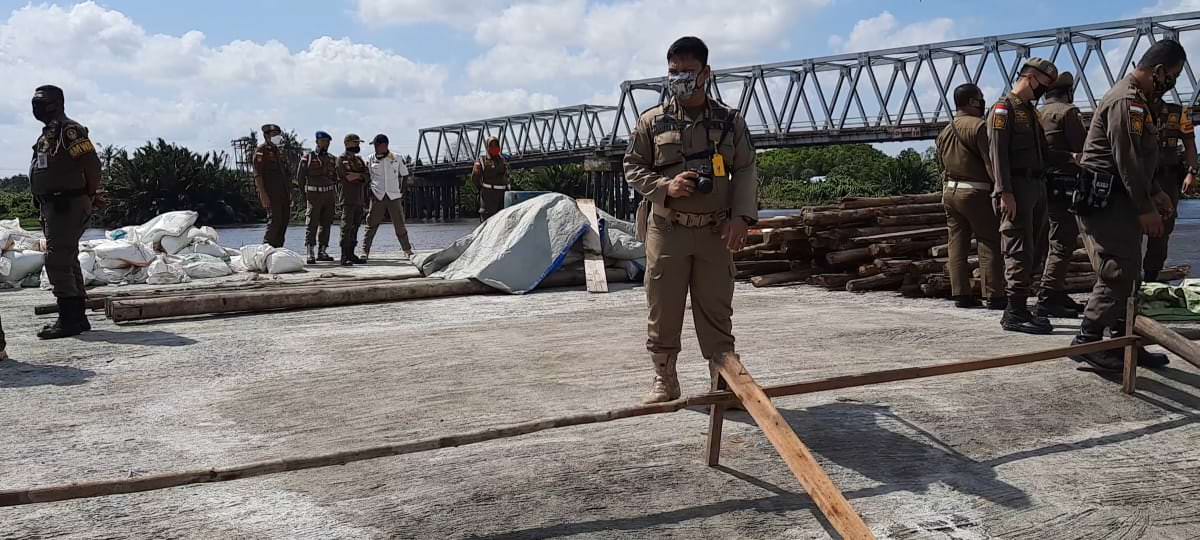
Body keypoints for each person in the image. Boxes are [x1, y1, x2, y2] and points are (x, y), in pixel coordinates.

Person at [624, 36, 758, 404]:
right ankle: (664, 379)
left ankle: (724, 379)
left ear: (706, 74)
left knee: (716, 308)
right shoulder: (652, 122)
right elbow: (632, 168)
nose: (679, 78)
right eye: (673, 72)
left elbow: (745, 169)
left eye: (687, 71)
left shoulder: (730, 122)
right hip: (668, 229)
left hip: (716, 231)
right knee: (663, 306)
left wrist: (742, 219)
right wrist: (665, 186)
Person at [1070, 39, 1185, 371]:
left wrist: (1156, 192)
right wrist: (1145, 208)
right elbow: (1128, 161)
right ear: (1159, 71)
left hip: (1122, 199)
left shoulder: (1140, 101)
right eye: (1173, 76)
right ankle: (1088, 340)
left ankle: (1124, 339)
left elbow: (1141, 161)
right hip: (1108, 201)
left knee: (1131, 271)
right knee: (1118, 270)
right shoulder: (1126, 101)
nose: (1172, 83)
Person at [987, 57, 1061, 335]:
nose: (1045, 90)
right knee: (1017, 248)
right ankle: (1014, 312)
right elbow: (998, 155)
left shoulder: (1030, 111)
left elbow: (1044, 152)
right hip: (1015, 187)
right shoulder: (1003, 109)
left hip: (1036, 185)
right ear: (1030, 77)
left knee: (1035, 250)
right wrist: (1004, 191)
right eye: (1044, 83)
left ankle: (1022, 307)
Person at [30, 85, 102, 340]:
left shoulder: (69, 131)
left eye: (42, 102)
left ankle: (69, 318)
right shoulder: (49, 133)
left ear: (58, 103)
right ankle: (77, 317)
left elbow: (91, 164)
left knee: (57, 259)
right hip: (53, 205)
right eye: (35, 102)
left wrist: (90, 194)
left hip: (67, 204)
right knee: (67, 258)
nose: (36, 107)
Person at [936, 83, 1006, 310]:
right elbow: (990, 163)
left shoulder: (945, 130)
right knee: (988, 241)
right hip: (975, 192)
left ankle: (960, 294)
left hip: (950, 191)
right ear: (974, 102)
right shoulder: (979, 127)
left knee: (957, 244)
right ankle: (994, 294)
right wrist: (1001, 190)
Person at [1035, 72, 1088, 319]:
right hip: (1065, 184)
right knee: (1063, 242)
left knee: (1049, 239)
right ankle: (1047, 296)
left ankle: (1055, 291)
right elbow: (1083, 149)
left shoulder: (1036, 113)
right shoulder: (1067, 112)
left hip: (1040, 184)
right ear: (1068, 92)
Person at [1143, 99, 1197, 282]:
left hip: (1167, 179)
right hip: (1141, 178)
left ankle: (1150, 278)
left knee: (1163, 231)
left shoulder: (1179, 112)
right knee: (1132, 229)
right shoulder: (1137, 109)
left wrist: (1192, 173)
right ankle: (1130, 281)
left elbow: (1190, 144)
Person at [362, 134, 414, 261]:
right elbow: (366, 178)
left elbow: (405, 174)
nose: (374, 147)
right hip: (377, 196)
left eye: (376, 145)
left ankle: (407, 250)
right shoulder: (370, 159)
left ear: (384, 145)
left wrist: (402, 191)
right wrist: (367, 193)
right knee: (371, 224)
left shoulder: (396, 157)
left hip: (394, 196)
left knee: (399, 224)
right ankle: (364, 251)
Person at [297, 131, 339, 264]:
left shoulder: (332, 159)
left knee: (326, 224)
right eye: (323, 141)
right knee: (312, 224)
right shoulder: (307, 157)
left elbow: (336, 178)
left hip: (329, 195)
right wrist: (305, 196)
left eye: (327, 142)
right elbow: (300, 178)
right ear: (317, 141)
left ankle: (323, 251)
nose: (326, 144)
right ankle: (310, 252)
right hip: (313, 195)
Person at [254, 124, 292, 248]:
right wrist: (263, 195)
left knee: (284, 221)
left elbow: (285, 174)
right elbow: (258, 175)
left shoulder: (278, 152)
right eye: (273, 135)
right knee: (274, 221)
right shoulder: (261, 151)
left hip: (283, 193)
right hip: (271, 193)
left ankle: (278, 251)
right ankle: (266, 250)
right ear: (266, 136)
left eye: (278, 134)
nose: (276, 137)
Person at [336, 133, 369, 266]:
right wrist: (359, 176)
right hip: (348, 199)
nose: (357, 145)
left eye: (358, 143)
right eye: (355, 142)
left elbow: (367, 176)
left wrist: (358, 176)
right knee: (346, 227)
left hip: (359, 199)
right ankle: (344, 256)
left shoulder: (359, 160)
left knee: (355, 227)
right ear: (347, 143)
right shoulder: (341, 159)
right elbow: (346, 176)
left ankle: (351, 253)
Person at [472, 136, 510, 221]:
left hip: (502, 195)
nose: (494, 148)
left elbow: (507, 176)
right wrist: (482, 188)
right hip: (488, 196)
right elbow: (475, 178)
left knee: (502, 221)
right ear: (487, 147)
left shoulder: (503, 160)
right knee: (487, 220)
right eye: (491, 146)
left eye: (496, 145)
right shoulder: (481, 160)